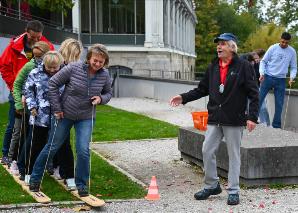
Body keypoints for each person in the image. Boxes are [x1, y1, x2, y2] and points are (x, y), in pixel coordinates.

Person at [169, 33, 259, 205]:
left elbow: (253, 93)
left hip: (234, 118)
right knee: (207, 150)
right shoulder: (213, 66)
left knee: (234, 155)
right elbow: (202, 89)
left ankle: (233, 190)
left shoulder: (244, 66)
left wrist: (253, 117)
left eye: (223, 44)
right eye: (218, 44)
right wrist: (183, 97)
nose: (219, 47)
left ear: (232, 47)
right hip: (215, 117)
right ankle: (212, 185)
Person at [29, 44, 112, 197]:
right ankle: (34, 179)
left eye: (101, 62)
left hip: (85, 117)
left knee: (83, 150)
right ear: (89, 58)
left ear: (105, 62)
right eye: (95, 60)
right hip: (64, 114)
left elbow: (108, 93)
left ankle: (82, 185)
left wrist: (101, 98)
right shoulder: (74, 68)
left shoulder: (105, 75)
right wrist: (57, 108)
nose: (98, 64)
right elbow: (53, 83)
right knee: (52, 147)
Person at [0, 20, 54, 165]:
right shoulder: (14, 46)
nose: (36, 40)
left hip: (37, 95)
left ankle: (27, 157)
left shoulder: (47, 46)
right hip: (18, 92)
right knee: (14, 126)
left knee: (32, 127)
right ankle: (6, 154)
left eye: (39, 37)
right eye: (33, 38)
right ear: (26, 31)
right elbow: (4, 66)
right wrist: (14, 88)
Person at [8, 41, 50, 175]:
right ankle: (15, 161)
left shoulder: (49, 67)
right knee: (22, 134)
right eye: (36, 56)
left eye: (40, 56)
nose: (38, 59)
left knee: (35, 137)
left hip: (41, 108)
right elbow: (17, 84)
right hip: (27, 105)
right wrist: (19, 104)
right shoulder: (29, 66)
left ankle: (34, 163)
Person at [23, 51, 64, 183]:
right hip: (39, 116)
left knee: (57, 145)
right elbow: (28, 91)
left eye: (55, 67)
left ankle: (55, 168)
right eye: (49, 67)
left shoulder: (64, 74)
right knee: (36, 144)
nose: (52, 70)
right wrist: (32, 107)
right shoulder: (35, 73)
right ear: (44, 64)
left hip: (58, 116)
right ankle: (29, 172)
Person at [259, 32, 297, 128]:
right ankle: (251, 120)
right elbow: (263, 61)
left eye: (286, 43)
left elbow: (293, 67)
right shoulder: (273, 48)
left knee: (279, 104)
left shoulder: (292, 52)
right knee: (258, 99)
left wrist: (292, 77)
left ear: (289, 42)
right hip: (267, 77)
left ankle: (276, 126)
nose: (284, 44)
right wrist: (262, 73)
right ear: (280, 39)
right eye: (283, 42)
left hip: (281, 80)